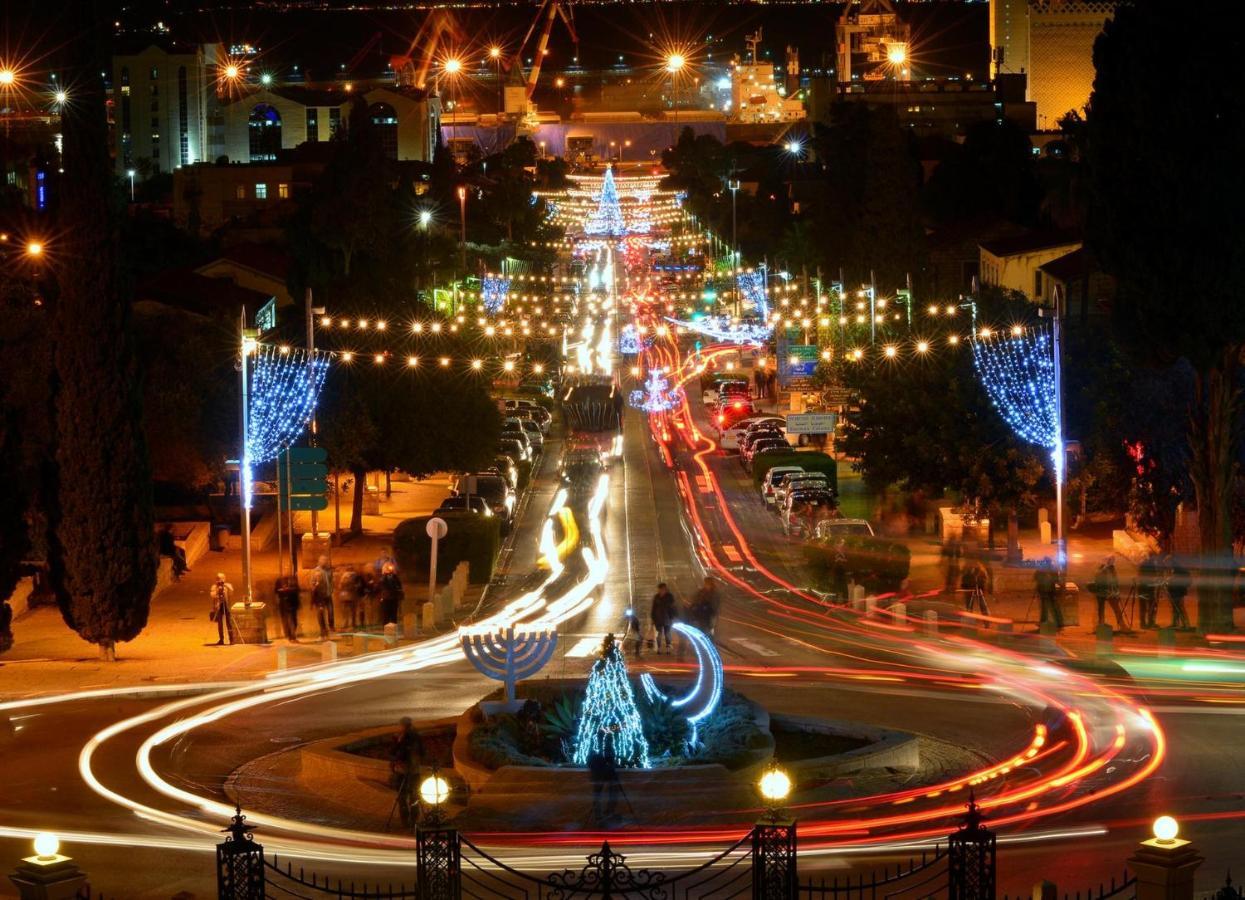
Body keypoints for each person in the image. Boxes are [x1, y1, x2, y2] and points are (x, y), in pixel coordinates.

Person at [389, 717, 426, 830]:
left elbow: (420, 753)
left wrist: (401, 742)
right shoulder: (400, 738)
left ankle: (412, 821)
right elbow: (393, 753)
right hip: (404, 772)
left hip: (412, 772)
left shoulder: (414, 738)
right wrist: (398, 741)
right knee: (404, 797)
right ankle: (407, 821)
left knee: (412, 797)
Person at [587, 735, 621, 824]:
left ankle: (601, 815)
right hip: (602, 773)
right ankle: (605, 814)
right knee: (610, 792)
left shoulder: (594, 747)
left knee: (599, 794)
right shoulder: (603, 748)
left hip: (598, 773)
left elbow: (590, 762)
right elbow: (610, 759)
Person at [1089, 556, 1125, 629]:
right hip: (1104, 592)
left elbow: (1115, 582)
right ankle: (1101, 625)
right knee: (1103, 609)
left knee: (1113, 609)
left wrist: (1116, 592)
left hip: (1109, 592)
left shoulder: (1109, 569)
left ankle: (1121, 625)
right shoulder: (1103, 570)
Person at [209, 573, 237, 645]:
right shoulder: (214, 587)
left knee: (229, 623)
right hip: (218, 607)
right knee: (220, 624)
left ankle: (231, 639)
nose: (220, 580)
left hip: (226, 606)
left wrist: (225, 587)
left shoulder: (228, 586)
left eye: (221, 579)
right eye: (218, 579)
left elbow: (232, 592)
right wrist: (218, 590)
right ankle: (221, 639)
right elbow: (212, 595)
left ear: (225, 579)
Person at [310, 556, 334, 640]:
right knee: (320, 615)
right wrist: (315, 585)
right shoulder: (316, 571)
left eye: (326, 560)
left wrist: (331, 589)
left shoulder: (329, 571)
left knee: (330, 613)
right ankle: (323, 633)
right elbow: (312, 585)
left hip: (328, 595)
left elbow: (330, 581)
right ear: (319, 561)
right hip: (319, 596)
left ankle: (330, 629)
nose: (325, 562)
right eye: (323, 560)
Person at [1034, 558, 1062, 629]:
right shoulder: (1053, 570)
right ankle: (1059, 623)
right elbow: (1057, 580)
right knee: (1053, 607)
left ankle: (1044, 622)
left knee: (1045, 608)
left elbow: (1036, 578)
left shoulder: (1041, 570)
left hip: (1044, 591)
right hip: (1050, 591)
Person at [1166, 556, 1192, 630]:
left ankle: (1186, 624)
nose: (1166, 565)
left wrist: (1170, 581)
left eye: (1167, 563)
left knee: (1180, 607)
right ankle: (1175, 623)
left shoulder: (1179, 570)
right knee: (1175, 608)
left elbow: (1178, 581)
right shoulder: (1175, 570)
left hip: (1178, 591)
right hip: (1175, 591)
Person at [650, 583, 677, 654]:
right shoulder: (657, 597)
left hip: (667, 618)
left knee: (667, 633)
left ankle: (668, 648)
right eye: (659, 590)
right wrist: (653, 617)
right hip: (658, 619)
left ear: (665, 589)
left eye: (661, 589)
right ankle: (659, 648)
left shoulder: (669, 597)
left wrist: (673, 617)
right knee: (659, 634)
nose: (660, 591)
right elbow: (654, 608)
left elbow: (673, 607)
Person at [338, 566, 365, 631]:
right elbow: (358, 585)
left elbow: (340, 586)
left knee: (345, 613)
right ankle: (352, 625)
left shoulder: (343, 577)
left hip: (343, 596)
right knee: (352, 611)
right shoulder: (355, 576)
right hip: (352, 596)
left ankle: (344, 625)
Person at [275, 574, 301, 642]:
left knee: (294, 620)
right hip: (285, 604)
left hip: (293, 602)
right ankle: (292, 636)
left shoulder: (293, 579)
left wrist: (289, 590)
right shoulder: (279, 580)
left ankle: (291, 635)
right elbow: (276, 591)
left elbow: (298, 589)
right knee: (290, 620)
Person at [1137, 554, 1161, 629]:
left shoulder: (1142, 564)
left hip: (1142, 587)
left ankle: (1144, 623)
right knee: (1150, 605)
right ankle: (1149, 622)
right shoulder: (1150, 565)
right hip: (1147, 588)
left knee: (1144, 606)